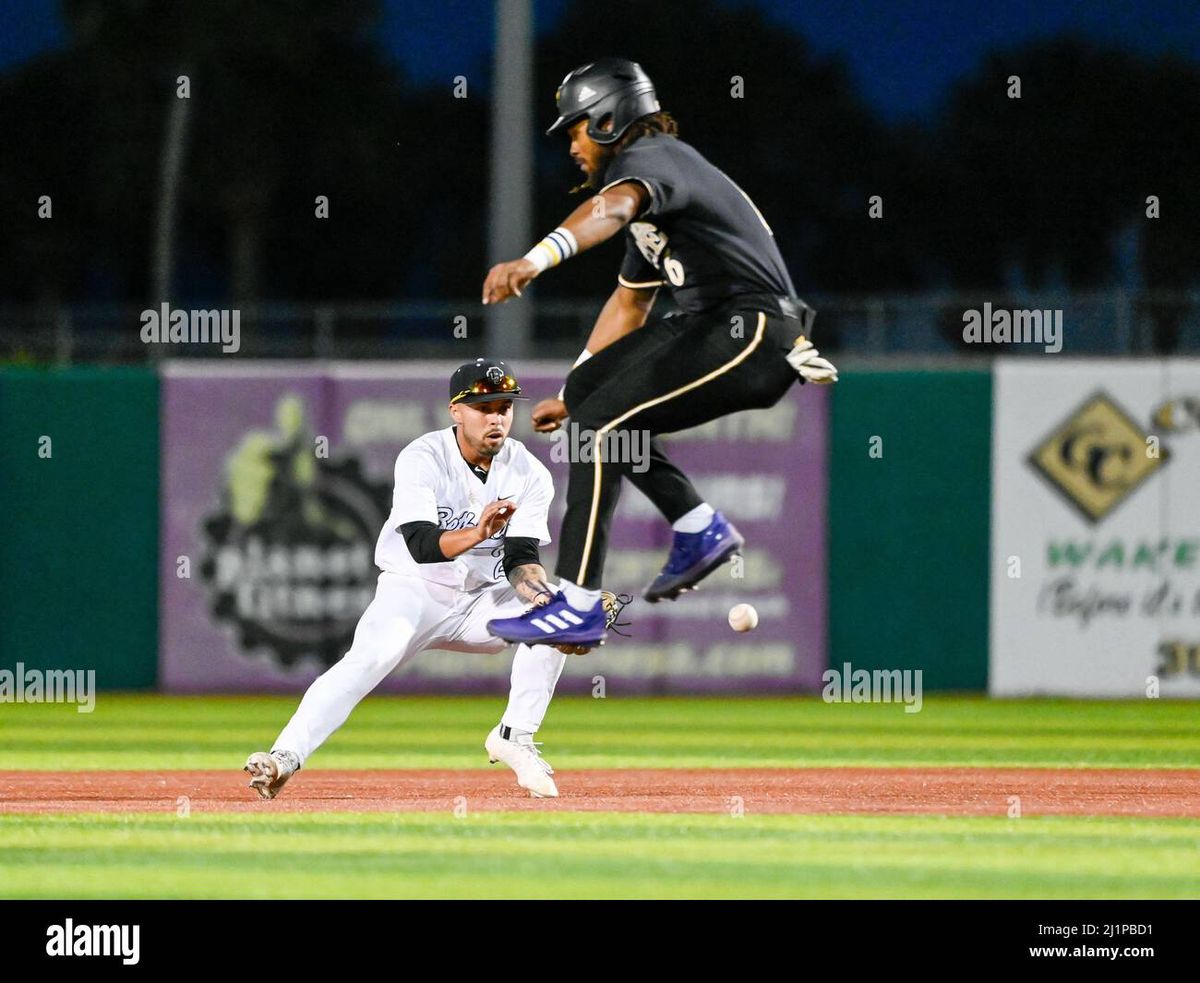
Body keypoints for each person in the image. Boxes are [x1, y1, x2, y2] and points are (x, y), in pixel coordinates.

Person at [482, 58, 837, 650]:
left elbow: (614, 208)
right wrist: (572, 393)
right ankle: (699, 527)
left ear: (606, 119)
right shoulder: (657, 192)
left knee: (600, 425)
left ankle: (576, 603)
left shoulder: (651, 161)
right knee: (595, 406)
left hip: (751, 328)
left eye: (574, 127)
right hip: (718, 323)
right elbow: (628, 306)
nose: (570, 142)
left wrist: (534, 259)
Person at [244, 359, 574, 799]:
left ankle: (514, 736)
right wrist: (478, 532)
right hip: (414, 590)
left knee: (555, 611)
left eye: (504, 407)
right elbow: (420, 544)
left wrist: (540, 598)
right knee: (370, 659)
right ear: (456, 411)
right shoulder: (424, 457)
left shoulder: (530, 473)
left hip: (481, 601)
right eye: (484, 407)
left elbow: (521, 557)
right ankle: (284, 757)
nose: (497, 417)